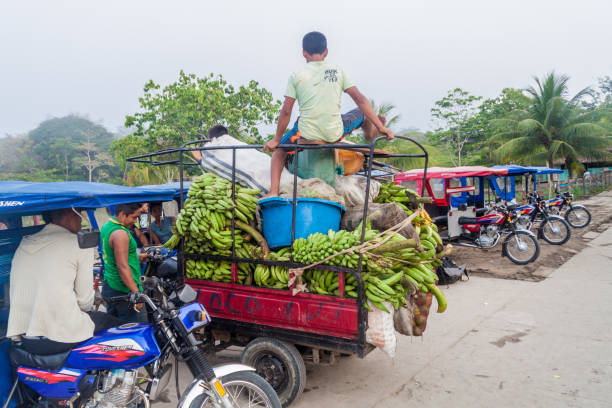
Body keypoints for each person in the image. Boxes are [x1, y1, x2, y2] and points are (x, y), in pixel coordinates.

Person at [262, 31, 395, 198]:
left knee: (279, 153)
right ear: (326, 52)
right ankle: (371, 128)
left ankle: (273, 191)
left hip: (307, 132)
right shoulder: (338, 71)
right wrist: (381, 127)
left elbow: (286, 111)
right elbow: (360, 99)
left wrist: (276, 140)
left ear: (303, 53)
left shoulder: (297, 75)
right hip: (335, 133)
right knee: (361, 111)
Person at [7, 208, 122, 354]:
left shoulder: (24, 243)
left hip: (24, 337)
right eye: (80, 213)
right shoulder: (80, 244)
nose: (81, 219)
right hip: (61, 336)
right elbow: (85, 302)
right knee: (118, 327)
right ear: (68, 213)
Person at [101, 203, 150, 323]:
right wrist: (137, 294)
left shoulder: (107, 226)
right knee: (138, 330)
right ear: (123, 214)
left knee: (115, 330)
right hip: (124, 291)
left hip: (111, 286)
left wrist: (137, 257)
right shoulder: (120, 233)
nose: (135, 221)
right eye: (133, 217)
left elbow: (115, 255)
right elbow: (122, 267)